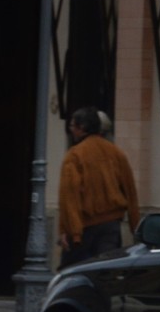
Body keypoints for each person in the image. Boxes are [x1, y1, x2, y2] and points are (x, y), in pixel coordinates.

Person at [58, 106, 140, 269]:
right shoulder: (116, 153)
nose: (71, 130)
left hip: (84, 228)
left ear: (82, 128)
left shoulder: (75, 155)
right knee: (106, 272)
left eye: (73, 126)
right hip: (111, 226)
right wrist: (135, 226)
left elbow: (70, 197)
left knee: (72, 273)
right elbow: (130, 191)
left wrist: (71, 232)